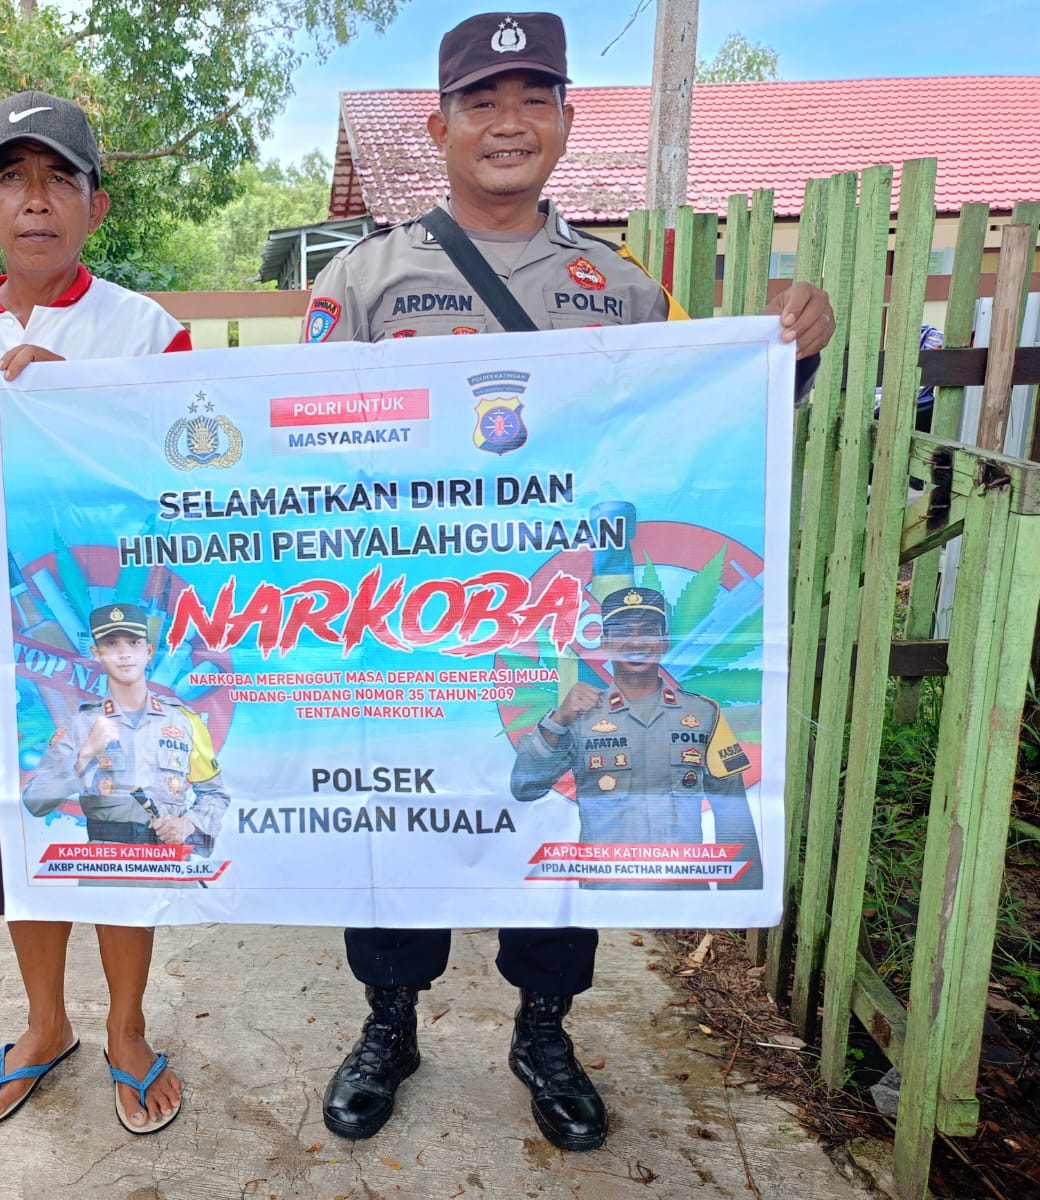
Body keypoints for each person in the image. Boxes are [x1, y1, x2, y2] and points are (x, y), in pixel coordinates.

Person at [303, 12, 836, 1150]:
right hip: (412, 629)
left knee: (565, 831)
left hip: (564, 623)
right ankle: (388, 1022)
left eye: (532, 98)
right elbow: (296, 445)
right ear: (437, 125)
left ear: (565, 121)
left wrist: (791, 353)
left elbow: (705, 425)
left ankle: (544, 1028)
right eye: (482, 102)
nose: (508, 123)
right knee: (400, 828)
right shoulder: (365, 279)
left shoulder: (623, 289)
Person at [0, 90, 193, 1136]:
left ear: (95, 206)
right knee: (19, 842)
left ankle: (125, 1025)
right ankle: (44, 1023)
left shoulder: (146, 333)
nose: (36, 201)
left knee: (115, 833)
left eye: (58, 178)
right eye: (12, 179)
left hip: (111, 652)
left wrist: (89, 401)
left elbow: (190, 482)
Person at [510, 587, 764, 889]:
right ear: (604, 643)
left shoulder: (705, 713)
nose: (636, 641)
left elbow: (732, 811)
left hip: (681, 890)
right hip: (604, 892)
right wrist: (558, 720)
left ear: (664, 640)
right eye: (622, 632)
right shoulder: (578, 715)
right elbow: (524, 787)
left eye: (648, 631)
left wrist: (739, 899)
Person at [23, 602, 230, 862]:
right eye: (111, 644)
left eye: (133, 643)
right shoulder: (80, 724)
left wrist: (188, 824)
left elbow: (215, 794)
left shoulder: (184, 721)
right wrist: (85, 754)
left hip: (170, 867)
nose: (124, 654)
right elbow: (35, 801)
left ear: (149, 651)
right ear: (96, 652)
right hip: (106, 870)